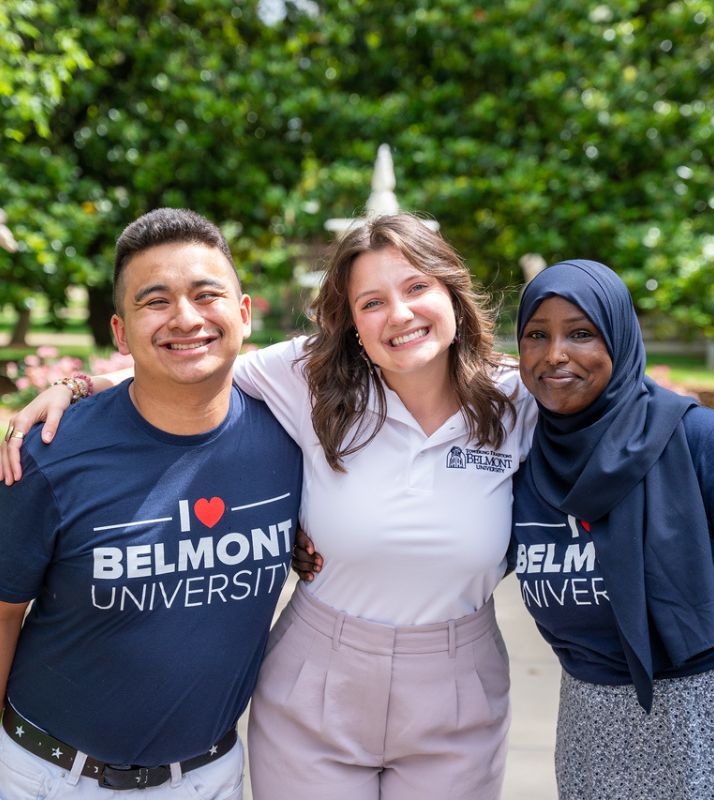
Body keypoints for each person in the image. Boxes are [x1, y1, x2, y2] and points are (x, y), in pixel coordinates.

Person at [1, 213, 538, 800]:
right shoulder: (309, 383)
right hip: (301, 680)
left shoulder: (516, 401)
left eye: (416, 288)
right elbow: (183, 361)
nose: (400, 315)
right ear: (352, 322)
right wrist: (75, 386)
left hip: (442, 682)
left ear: (453, 294)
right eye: (372, 301)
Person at [0, 208, 302, 798]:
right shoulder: (50, 454)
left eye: (206, 294)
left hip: (207, 777)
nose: (186, 318)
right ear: (119, 333)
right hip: (50, 777)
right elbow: (2, 612)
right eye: (155, 301)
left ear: (242, 314)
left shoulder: (293, 439)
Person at [511, 258, 714, 800]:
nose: (555, 355)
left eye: (581, 333)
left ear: (619, 339)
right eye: (536, 335)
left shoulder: (703, 442)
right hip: (590, 736)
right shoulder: (520, 458)